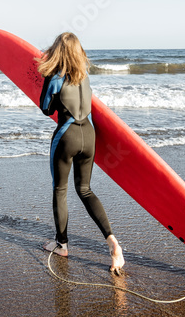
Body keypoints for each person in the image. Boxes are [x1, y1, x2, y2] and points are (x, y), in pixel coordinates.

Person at [37, 32, 125, 275]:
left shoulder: (54, 77)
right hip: (89, 135)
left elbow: (46, 108)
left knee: (60, 190)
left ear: (58, 52)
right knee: (85, 189)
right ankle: (112, 241)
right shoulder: (85, 77)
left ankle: (61, 244)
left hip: (66, 136)